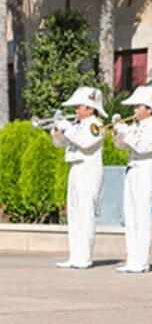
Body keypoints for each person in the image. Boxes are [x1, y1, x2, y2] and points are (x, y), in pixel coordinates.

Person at [111, 86, 152, 273]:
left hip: (146, 170)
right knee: (131, 216)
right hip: (132, 170)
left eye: (138, 107)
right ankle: (131, 258)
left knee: (143, 216)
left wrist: (127, 132)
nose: (134, 110)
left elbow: (144, 148)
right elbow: (121, 146)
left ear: (150, 109)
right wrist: (117, 133)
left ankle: (141, 261)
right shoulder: (135, 126)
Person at [51, 87, 106, 269]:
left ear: (90, 108)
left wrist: (68, 128)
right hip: (74, 168)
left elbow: (85, 142)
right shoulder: (76, 125)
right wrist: (57, 130)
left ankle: (84, 257)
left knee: (85, 214)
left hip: (88, 170)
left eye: (79, 107)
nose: (76, 110)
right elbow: (59, 144)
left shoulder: (95, 125)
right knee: (73, 214)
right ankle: (74, 256)